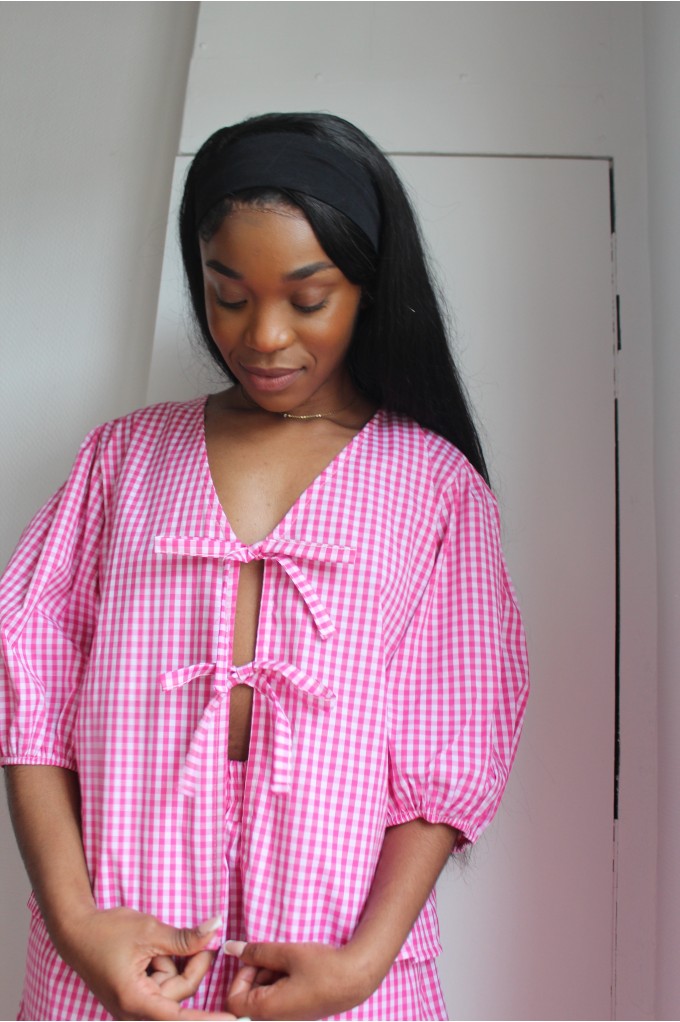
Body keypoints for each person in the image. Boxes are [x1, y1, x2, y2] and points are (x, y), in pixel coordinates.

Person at [0, 112, 529, 1021]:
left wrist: (361, 967)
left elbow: (452, 741)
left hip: (339, 974)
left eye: (307, 299)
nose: (264, 337)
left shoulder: (435, 487)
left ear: (368, 287)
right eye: (228, 295)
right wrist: (78, 925)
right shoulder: (125, 459)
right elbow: (27, 696)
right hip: (115, 972)